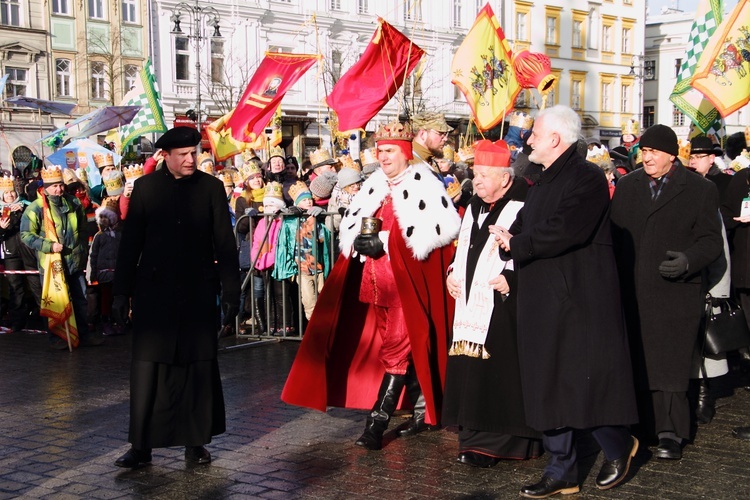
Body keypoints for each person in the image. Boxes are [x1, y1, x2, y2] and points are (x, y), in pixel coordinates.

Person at [281, 120, 460, 450]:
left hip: (406, 289)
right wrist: (358, 245)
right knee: (397, 349)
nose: (383, 156)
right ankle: (422, 411)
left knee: (397, 348)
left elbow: (438, 235)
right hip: (374, 284)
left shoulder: (425, 185)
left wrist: (387, 243)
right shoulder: (374, 186)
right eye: (380, 150)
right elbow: (353, 228)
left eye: (390, 150)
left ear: (405, 153)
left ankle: (376, 423)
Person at [494, 105, 639, 497]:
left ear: (556, 139)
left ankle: (618, 445)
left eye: (535, 134)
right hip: (541, 296)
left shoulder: (587, 178)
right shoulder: (539, 179)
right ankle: (562, 470)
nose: (528, 140)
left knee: (584, 383)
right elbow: (528, 222)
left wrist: (519, 243)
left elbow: (565, 229)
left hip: (578, 298)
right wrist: (509, 237)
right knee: (547, 382)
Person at [112, 126, 240, 468]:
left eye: (194, 153)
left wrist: (231, 292)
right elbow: (130, 246)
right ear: (164, 156)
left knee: (196, 368)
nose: (190, 159)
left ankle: (196, 442)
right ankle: (141, 446)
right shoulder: (144, 188)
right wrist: (121, 292)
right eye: (182, 154)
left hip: (198, 292)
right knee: (149, 370)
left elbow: (225, 244)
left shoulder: (211, 188)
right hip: (154, 294)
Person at [610, 124, 723, 461]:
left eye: (654, 152)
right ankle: (640, 427)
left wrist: (689, 260)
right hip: (632, 289)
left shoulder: (700, 189)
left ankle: (670, 433)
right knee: (637, 359)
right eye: (643, 151)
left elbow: (711, 240)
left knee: (670, 365)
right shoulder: (628, 186)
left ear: (672, 155)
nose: (647, 157)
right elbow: (613, 236)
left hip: (676, 292)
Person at [442, 139, 542, 468]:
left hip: (507, 298)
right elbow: (463, 248)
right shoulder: (474, 204)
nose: (477, 179)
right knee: (471, 372)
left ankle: (501, 442)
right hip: (470, 298)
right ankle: (471, 436)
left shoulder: (527, 203)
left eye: (484, 174)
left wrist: (513, 277)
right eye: (476, 173)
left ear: (505, 178)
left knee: (500, 373)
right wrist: (453, 272)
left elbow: (537, 248)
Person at [21, 165, 102, 350]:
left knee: (80, 299)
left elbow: (82, 229)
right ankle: (56, 337)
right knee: (55, 300)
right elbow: (26, 234)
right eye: (55, 186)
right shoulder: (36, 208)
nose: (59, 189)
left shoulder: (73, 202)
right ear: (46, 187)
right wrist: (49, 246)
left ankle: (83, 334)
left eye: (61, 185)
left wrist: (80, 248)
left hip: (74, 260)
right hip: (51, 263)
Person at [686, 136, 732, 425]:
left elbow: (720, 249)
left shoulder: (707, 199)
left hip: (706, 283)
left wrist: (720, 290)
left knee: (706, 345)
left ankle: (705, 393)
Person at [0, 176, 30, 332]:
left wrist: (23, 211)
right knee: (15, 287)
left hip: (28, 251)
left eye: (12, 191)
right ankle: (18, 322)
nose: (10, 195)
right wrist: (2, 228)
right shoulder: (1, 211)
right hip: (11, 253)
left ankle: (40, 317)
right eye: (6, 193)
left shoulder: (26, 206)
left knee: (34, 283)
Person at [410, 112, 453, 177]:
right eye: (441, 133)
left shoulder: (431, 161)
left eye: (446, 134)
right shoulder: (408, 162)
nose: (445, 139)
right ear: (422, 134)